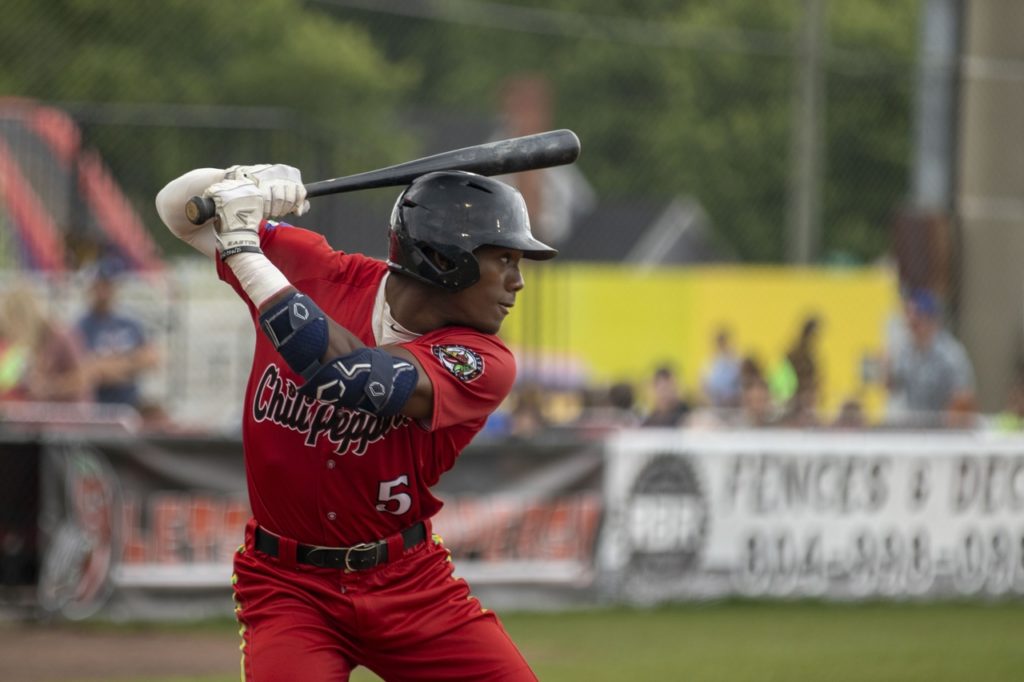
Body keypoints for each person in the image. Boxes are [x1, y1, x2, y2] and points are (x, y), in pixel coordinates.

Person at [156, 163, 557, 681]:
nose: (517, 281)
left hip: (409, 585)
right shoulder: (318, 270)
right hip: (288, 586)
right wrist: (239, 178)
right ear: (443, 259)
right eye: (504, 258)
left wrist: (245, 253)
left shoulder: (483, 360)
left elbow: (347, 377)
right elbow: (177, 209)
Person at [884, 288, 976, 427]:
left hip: (943, 428)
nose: (911, 325)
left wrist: (949, 426)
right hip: (915, 426)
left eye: (916, 319)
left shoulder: (950, 353)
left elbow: (963, 395)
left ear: (929, 319)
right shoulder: (906, 352)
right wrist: (886, 366)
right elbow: (892, 385)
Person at [75, 262, 159, 409]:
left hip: (130, 400)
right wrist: (131, 363)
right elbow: (90, 370)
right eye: (98, 286)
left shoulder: (129, 322)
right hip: (98, 403)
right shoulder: (81, 327)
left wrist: (118, 366)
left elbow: (151, 358)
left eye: (107, 286)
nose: (103, 292)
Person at [0, 282, 90, 403]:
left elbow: (83, 379)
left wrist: (50, 387)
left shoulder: (61, 337)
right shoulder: (23, 345)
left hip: (69, 416)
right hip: (38, 415)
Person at [700, 326, 742, 409]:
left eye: (725, 342)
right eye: (720, 343)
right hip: (714, 406)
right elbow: (703, 388)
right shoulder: (708, 364)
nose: (723, 345)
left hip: (734, 406)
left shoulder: (737, 362)